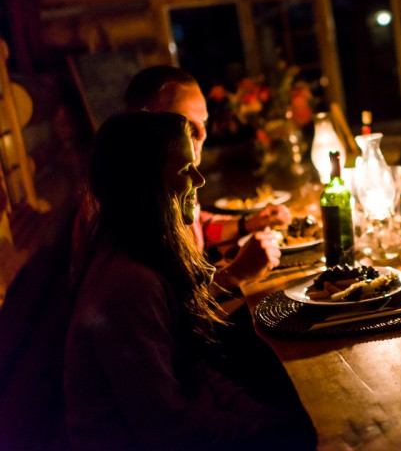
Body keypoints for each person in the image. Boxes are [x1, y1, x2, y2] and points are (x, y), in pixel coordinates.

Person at [65, 112, 317, 450]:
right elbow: (169, 429)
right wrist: (273, 436)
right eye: (185, 170)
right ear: (145, 186)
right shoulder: (130, 288)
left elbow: (193, 376)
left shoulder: (140, 260)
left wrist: (268, 420)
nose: (199, 179)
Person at [123, 65, 291, 251]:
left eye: (203, 122)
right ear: (146, 127)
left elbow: (198, 228)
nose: (203, 134)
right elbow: (173, 280)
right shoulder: (135, 206)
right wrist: (236, 276)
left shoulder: (179, 184)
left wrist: (251, 223)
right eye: (186, 124)